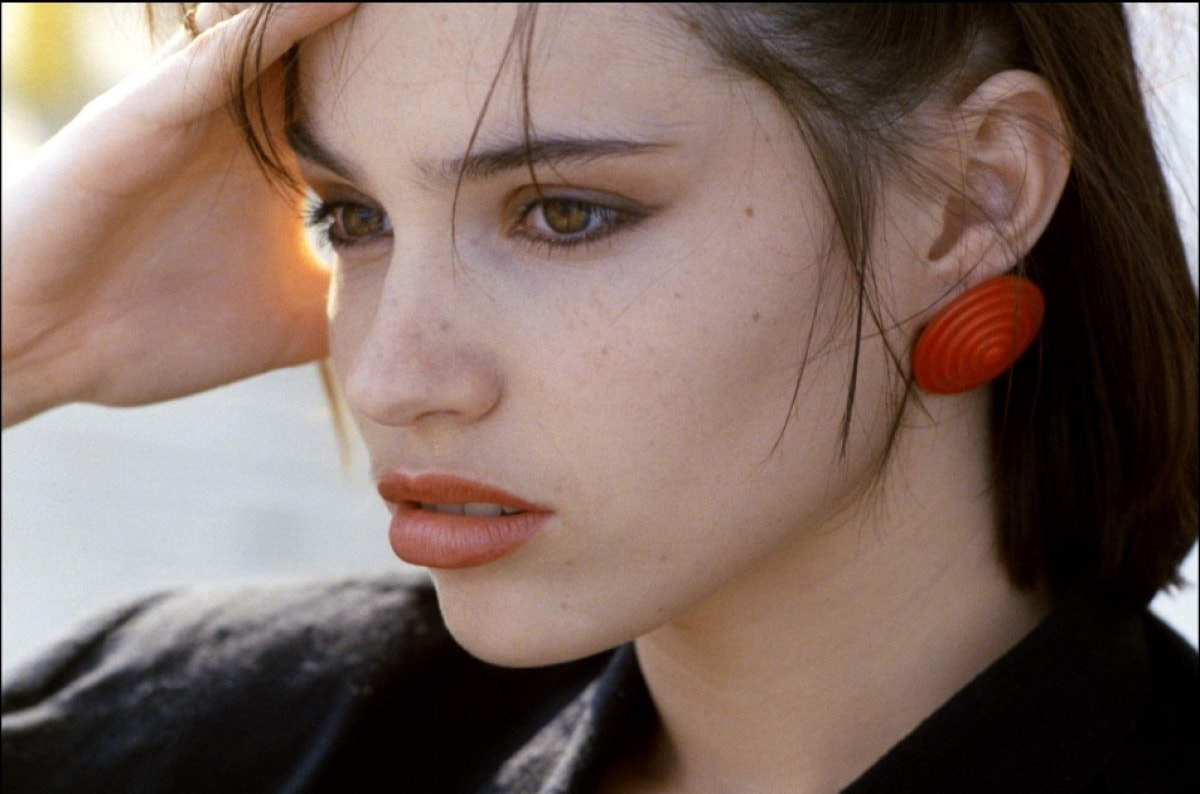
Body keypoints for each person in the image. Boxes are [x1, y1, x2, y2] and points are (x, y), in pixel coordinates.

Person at [2, 3, 1196, 792]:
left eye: (564, 212)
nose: (389, 375)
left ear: (974, 195)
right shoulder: (226, 727)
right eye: (352, 216)